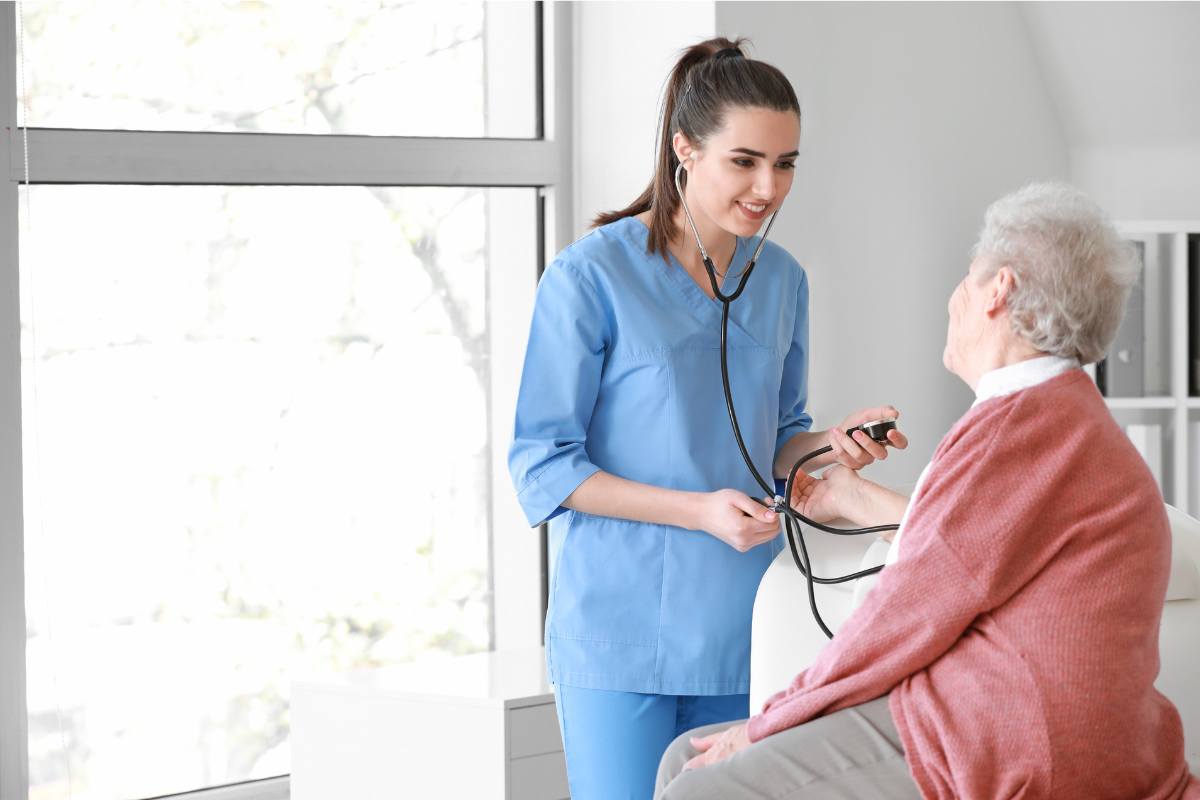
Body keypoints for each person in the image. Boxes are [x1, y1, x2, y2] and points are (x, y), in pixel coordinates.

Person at [654, 182, 1200, 799]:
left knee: (700, 785)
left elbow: (906, 612)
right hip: (1045, 724)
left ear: (1001, 290)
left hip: (1012, 738)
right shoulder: (1067, 423)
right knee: (685, 756)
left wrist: (771, 721)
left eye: (968, 279)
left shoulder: (1015, 431)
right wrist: (860, 503)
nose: (955, 300)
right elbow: (972, 549)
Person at [507, 37, 906, 800]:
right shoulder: (592, 275)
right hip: (618, 636)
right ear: (685, 150)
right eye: (745, 161)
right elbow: (544, 462)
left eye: (785, 164)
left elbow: (776, 440)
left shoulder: (783, 281)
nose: (768, 186)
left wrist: (832, 445)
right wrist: (697, 512)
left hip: (741, 628)